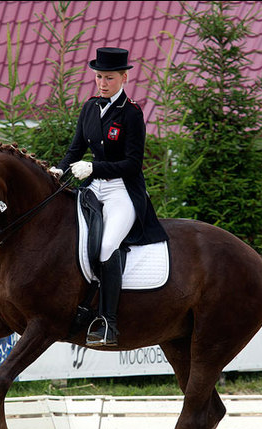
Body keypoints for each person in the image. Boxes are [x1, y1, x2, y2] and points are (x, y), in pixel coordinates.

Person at [49, 47, 169, 347]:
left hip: (122, 191)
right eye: (99, 76)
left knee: (105, 247)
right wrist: (57, 171)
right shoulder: (89, 108)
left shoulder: (131, 114)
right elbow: (74, 150)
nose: (103, 83)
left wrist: (94, 166)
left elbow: (133, 163)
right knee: (70, 240)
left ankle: (108, 323)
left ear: (124, 77)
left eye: (109, 77)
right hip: (93, 189)